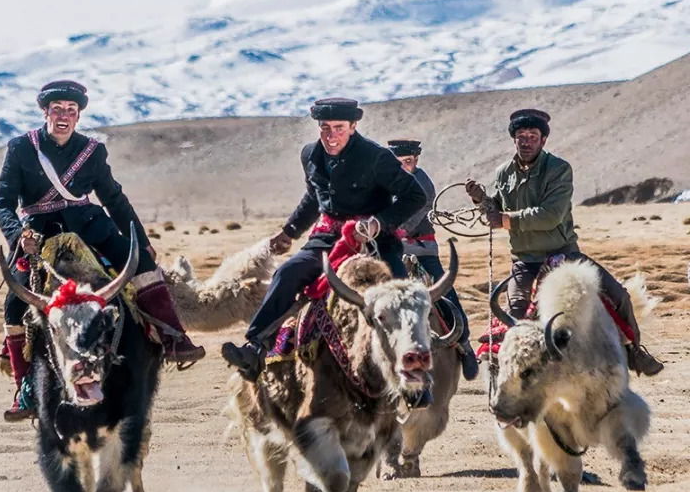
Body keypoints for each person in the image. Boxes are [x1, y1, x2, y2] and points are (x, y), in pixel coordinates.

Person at [0, 80, 206, 421]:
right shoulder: (21, 148)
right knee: (14, 301)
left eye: (71, 111)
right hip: (38, 234)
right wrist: (19, 235)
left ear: (78, 116)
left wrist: (139, 235)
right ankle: (25, 389)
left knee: (142, 263)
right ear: (45, 112)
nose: (64, 116)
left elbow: (113, 198)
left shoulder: (92, 151)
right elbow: (2, 202)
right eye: (58, 109)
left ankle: (173, 338)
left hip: (91, 226)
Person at [221, 98, 427, 381]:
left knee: (400, 292)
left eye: (339, 128)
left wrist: (378, 222)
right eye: (325, 128)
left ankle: (419, 372)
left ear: (353, 127)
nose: (331, 136)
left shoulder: (377, 157)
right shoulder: (310, 155)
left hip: (374, 241)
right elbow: (313, 198)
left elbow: (415, 196)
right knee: (287, 273)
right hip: (327, 238)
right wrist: (289, 231)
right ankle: (256, 347)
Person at [465, 109, 663, 376]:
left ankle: (633, 350)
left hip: (563, 254)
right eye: (521, 136)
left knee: (618, 295)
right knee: (514, 312)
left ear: (543, 140)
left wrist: (504, 219)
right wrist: (481, 201)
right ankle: (508, 370)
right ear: (514, 139)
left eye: (532, 136)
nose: (526, 141)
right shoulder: (504, 173)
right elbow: (496, 210)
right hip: (525, 261)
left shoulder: (558, 169)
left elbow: (551, 215)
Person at [389, 139, 479, 381]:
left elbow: (407, 221)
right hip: (390, 247)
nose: (403, 167)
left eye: (407, 162)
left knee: (444, 290)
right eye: (398, 163)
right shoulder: (386, 180)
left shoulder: (423, 185)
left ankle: (465, 345)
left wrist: (385, 229)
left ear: (416, 160)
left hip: (421, 249)